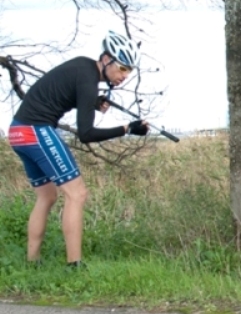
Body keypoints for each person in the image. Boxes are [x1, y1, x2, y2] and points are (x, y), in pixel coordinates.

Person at [6, 31, 150, 267]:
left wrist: (92, 101)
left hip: (18, 131)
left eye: (129, 71)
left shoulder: (83, 68)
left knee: (47, 196)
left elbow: (61, 93)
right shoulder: (88, 78)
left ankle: (32, 262)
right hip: (36, 130)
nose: (125, 75)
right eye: (122, 68)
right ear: (106, 59)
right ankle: (75, 265)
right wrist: (128, 128)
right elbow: (86, 135)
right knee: (77, 194)